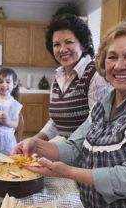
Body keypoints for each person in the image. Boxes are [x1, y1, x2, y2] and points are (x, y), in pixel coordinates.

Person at [13, 21, 126, 208]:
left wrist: (68, 172)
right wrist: (36, 144)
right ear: (103, 62)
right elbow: (75, 146)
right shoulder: (102, 108)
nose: (119, 65)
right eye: (112, 57)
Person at [34, 14, 111, 142]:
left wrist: (61, 148)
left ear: (83, 45)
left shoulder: (95, 74)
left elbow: (96, 123)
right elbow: (55, 123)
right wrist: (35, 140)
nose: (62, 49)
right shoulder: (58, 78)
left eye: (69, 42)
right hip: (65, 146)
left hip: (88, 150)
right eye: (56, 44)